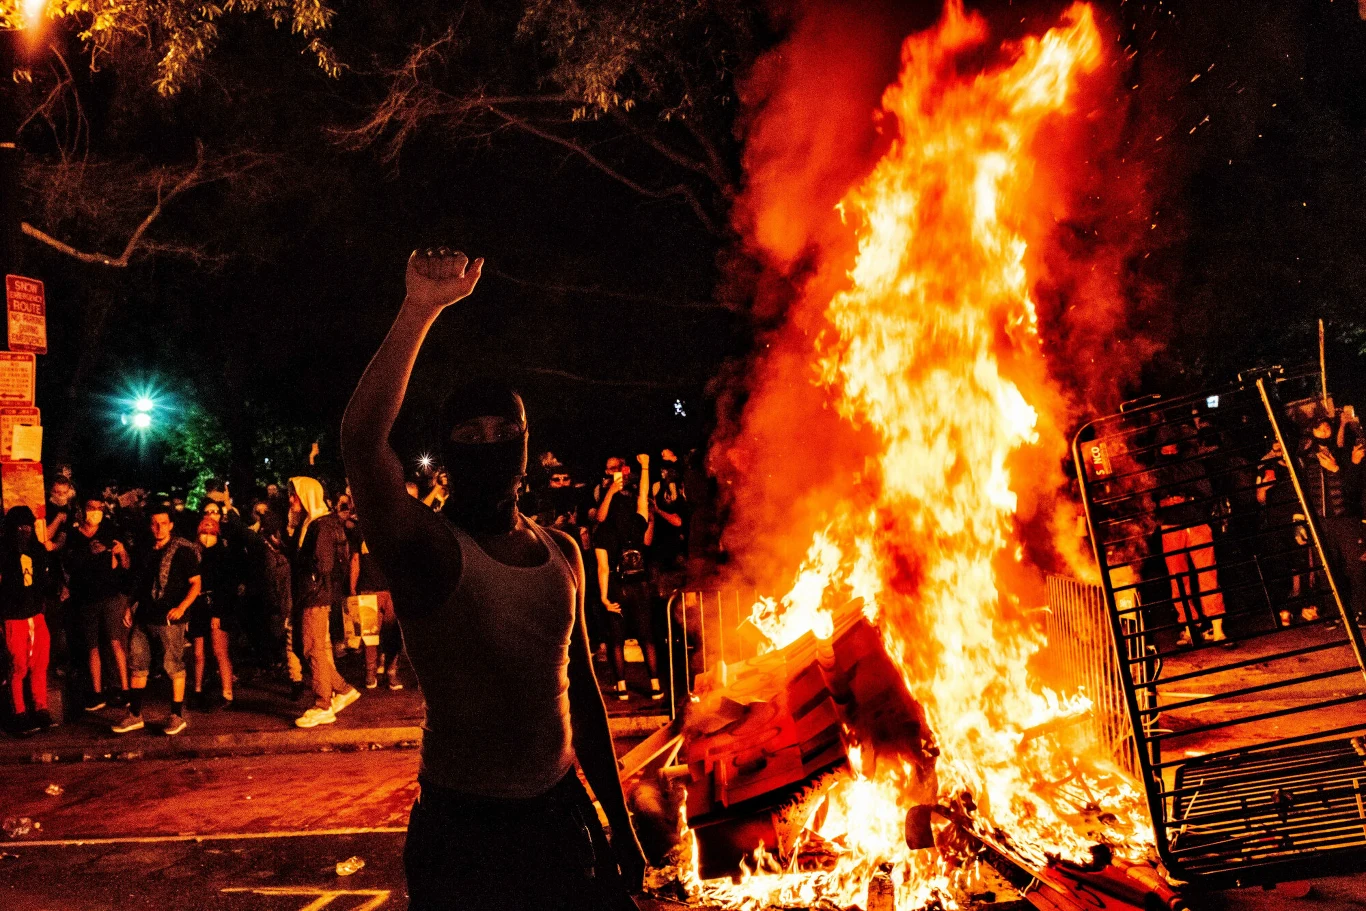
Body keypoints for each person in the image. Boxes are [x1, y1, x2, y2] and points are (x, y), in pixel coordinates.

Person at [341, 247, 645, 910]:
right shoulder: (430, 549)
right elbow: (363, 441)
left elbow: (582, 696)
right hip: (466, 834)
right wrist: (419, 309)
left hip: (562, 820)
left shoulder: (562, 549)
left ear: (526, 442)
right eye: (470, 434)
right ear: (450, 452)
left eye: (504, 430)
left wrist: (619, 827)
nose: (490, 444)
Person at [113, 505, 200, 736]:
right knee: (138, 664)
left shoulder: (183, 551)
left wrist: (181, 608)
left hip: (169, 619)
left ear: (171, 524)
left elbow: (195, 583)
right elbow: (139, 582)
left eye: (163, 523)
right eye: (154, 523)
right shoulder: (147, 550)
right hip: (145, 616)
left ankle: (176, 715)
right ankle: (135, 714)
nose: (159, 528)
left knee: (173, 665)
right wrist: (129, 606)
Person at [289, 475, 360, 728]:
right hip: (310, 595)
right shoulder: (310, 523)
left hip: (315, 595)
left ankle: (323, 705)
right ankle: (341, 689)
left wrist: (304, 569)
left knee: (314, 650)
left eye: (294, 494)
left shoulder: (321, 525)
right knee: (305, 648)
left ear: (306, 495)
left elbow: (323, 564)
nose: (290, 499)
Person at [594, 454, 660, 701]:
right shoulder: (638, 521)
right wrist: (645, 466)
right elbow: (643, 496)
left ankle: (621, 687)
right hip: (639, 584)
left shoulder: (604, 529)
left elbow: (602, 567)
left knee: (617, 639)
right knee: (647, 637)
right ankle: (655, 685)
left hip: (616, 585)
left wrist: (602, 597)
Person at [1155, 433, 1227, 646]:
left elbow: (1206, 492)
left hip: (1197, 524)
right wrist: (1165, 501)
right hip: (1170, 527)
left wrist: (1186, 497)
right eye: (1164, 445)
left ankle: (1217, 629)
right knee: (1178, 580)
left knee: (1208, 576)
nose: (1169, 448)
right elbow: (1151, 498)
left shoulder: (1193, 464)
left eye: (1172, 443)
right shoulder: (1157, 470)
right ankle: (1189, 626)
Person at [67, 495, 132, 712]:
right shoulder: (74, 536)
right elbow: (70, 565)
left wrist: (121, 551)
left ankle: (125, 689)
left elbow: (125, 564)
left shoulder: (110, 532)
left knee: (114, 642)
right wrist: (88, 552)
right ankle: (97, 693)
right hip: (86, 598)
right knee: (92, 646)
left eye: (99, 508)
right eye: (91, 507)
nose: (95, 512)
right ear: (83, 510)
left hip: (110, 596)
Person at [2, 507, 52, 735]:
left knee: (39, 663)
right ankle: (19, 713)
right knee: (18, 665)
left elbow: (44, 580)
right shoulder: (3, 552)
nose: (25, 530)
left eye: (28, 526)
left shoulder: (37, 550)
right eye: (20, 527)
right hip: (13, 616)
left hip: (35, 614)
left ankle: (40, 709)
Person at [348, 529, 404, 690]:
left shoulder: (361, 532)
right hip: (387, 589)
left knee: (370, 634)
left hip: (372, 588)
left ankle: (371, 674)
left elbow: (355, 561)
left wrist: (353, 588)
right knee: (393, 633)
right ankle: (391, 672)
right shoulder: (394, 530)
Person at [190, 514, 236, 709]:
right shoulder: (194, 554)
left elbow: (226, 587)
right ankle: (198, 690)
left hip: (217, 605)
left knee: (219, 650)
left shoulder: (223, 555)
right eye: (204, 532)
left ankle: (227, 693)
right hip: (198, 605)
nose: (207, 535)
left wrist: (218, 612)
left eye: (211, 532)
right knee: (198, 652)